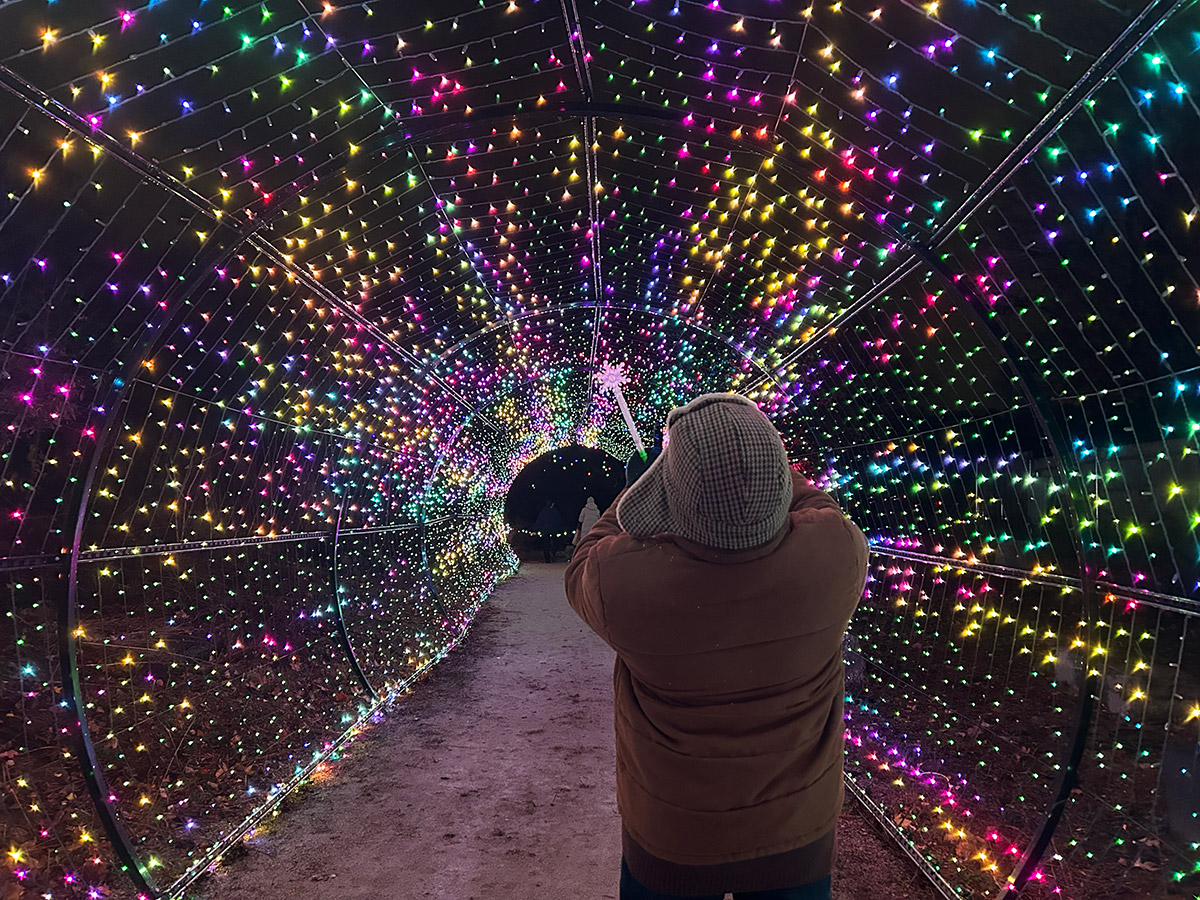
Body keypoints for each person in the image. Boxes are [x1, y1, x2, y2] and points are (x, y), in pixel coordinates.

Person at [564, 394, 868, 900]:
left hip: (672, 832)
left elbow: (585, 557)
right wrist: (749, 468)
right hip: (796, 826)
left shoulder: (624, 583)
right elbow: (817, 503)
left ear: (673, 494)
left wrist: (659, 479)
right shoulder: (836, 553)